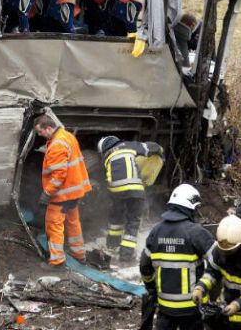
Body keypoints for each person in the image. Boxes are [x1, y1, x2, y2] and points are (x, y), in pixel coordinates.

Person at [140, 184, 215, 330]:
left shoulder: (156, 231)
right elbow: (218, 263)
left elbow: (145, 267)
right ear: (191, 207)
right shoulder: (197, 233)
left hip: (164, 307)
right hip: (192, 308)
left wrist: (152, 289)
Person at [34, 114, 92, 266]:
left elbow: (59, 175)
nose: (40, 135)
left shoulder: (56, 145)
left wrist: (46, 194)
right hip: (74, 192)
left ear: (48, 128)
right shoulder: (67, 136)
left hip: (62, 194)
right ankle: (79, 254)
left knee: (54, 225)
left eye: (40, 132)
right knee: (73, 221)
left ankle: (57, 261)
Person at [97, 136, 164, 262]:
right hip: (135, 190)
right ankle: (126, 255)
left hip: (116, 191)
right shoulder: (129, 145)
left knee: (115, 219)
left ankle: (112, 245)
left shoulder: (107, 156)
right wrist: (159, 149)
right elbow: (149, 147)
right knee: (133, 221)